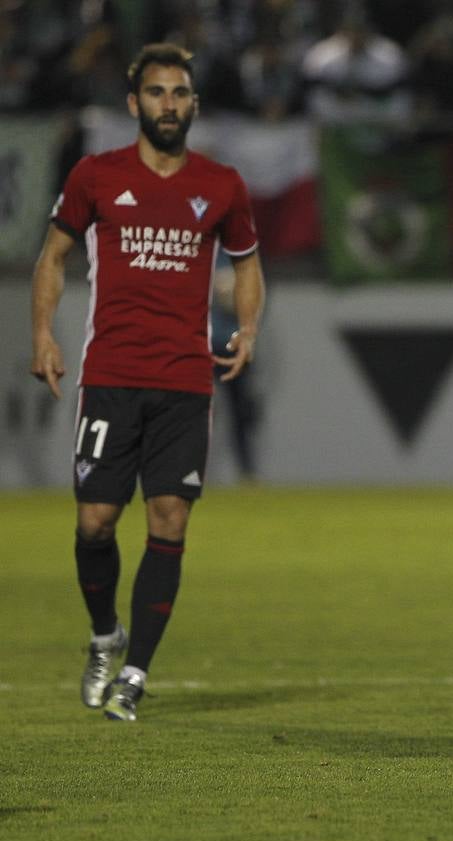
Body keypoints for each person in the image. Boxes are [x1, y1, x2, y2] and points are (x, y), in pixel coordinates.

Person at [30, 42, 265, 722]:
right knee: (96, 523)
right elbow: (52, 258)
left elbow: (248, 263)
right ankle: (106, 637)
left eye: (181, 93)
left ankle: (133, 675)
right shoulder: (96, 176)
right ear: (135, 105)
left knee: (169, 518)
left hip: (185, 381)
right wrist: (43, 334)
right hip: (110, 375)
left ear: (194, 103)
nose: (170, 104)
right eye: (158, 93)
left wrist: (247, 330)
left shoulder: (221, 185)